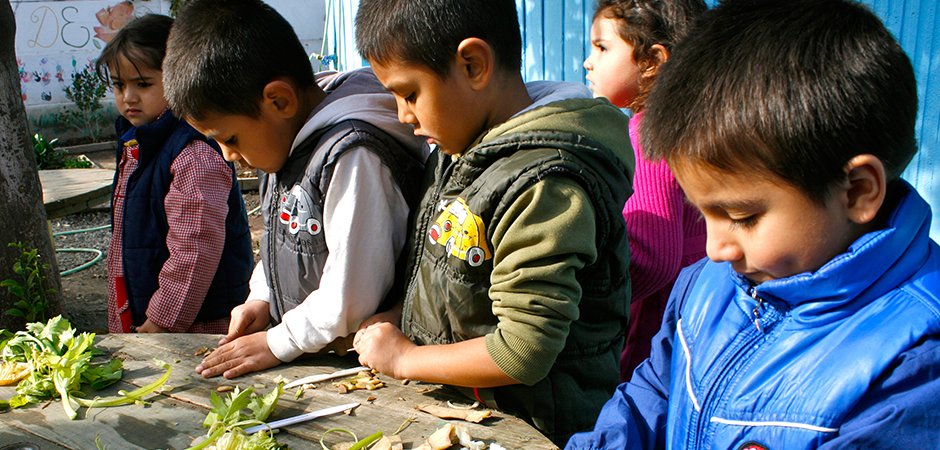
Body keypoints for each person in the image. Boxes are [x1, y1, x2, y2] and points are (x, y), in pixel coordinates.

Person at [567, 0, 940, 448]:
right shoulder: (705, 287)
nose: (714, 249)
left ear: (858, 191)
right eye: (701, 212)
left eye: (742, 217)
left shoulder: (914, 368)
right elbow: (651, 396)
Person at [351, 0, 635, 445]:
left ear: (473, 64)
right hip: (469, 416)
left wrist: (405, 359)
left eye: (409, 94)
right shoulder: (464, 151)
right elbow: (454, 284)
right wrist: (399, 317)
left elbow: (522, 351)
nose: (404, 115)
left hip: (534, 428)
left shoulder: (545, 183)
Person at [162, 0, 425, 379]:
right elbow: (279, 237)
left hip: (364, 369)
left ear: (279, 100)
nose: (228, 155)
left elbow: (349, 297)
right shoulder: (285, 139)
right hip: (316, 352)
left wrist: (277, 342)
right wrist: (262, 297)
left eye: (230, 138)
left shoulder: (354, 157)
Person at [95, 14, 253, 334]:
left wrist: (162, 320)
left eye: (143, 84)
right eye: (119, 85)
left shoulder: (193, 152)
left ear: (180, 77)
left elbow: (194, 249)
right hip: (147, 313)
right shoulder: (137, 141)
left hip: (194, 328)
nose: (128, 97)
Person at [583, 0, 707, 381]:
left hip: (656, 321)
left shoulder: (648, 130)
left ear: (653, 61)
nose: (589, 62)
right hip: (701, 307)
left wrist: (592, 305)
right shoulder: (699, 121)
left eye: (602, 48)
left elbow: (652, 259)